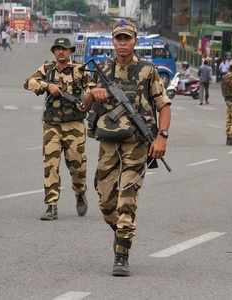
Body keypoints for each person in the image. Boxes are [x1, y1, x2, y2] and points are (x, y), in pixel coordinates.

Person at [83, 19, 171, 277]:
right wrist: (94, 93)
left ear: (135, 41)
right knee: (105, 199)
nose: (123, 44)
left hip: (137, 145)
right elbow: (83, 104)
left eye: (127, 39)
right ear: (113, 41)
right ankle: (121, 230)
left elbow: (163, 105)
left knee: (127, 199)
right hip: (108, 143)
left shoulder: (147, 71)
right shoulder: (102, 69)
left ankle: (122, 253)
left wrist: (162, 137)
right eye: (119, 39)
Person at [24, 38, 89, 221]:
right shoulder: (47, 69)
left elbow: (93, 90)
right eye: (57, 49)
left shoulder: (80, 70)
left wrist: (86, 102)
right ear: (54, 52)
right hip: (52, 125)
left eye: (64, 49)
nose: (61, 52)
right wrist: (47, 85)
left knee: (77, 165)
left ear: (70, 51)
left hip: (74, 124)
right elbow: (28, 82)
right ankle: (51, 205)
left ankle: (80, 191)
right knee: (50, 165)